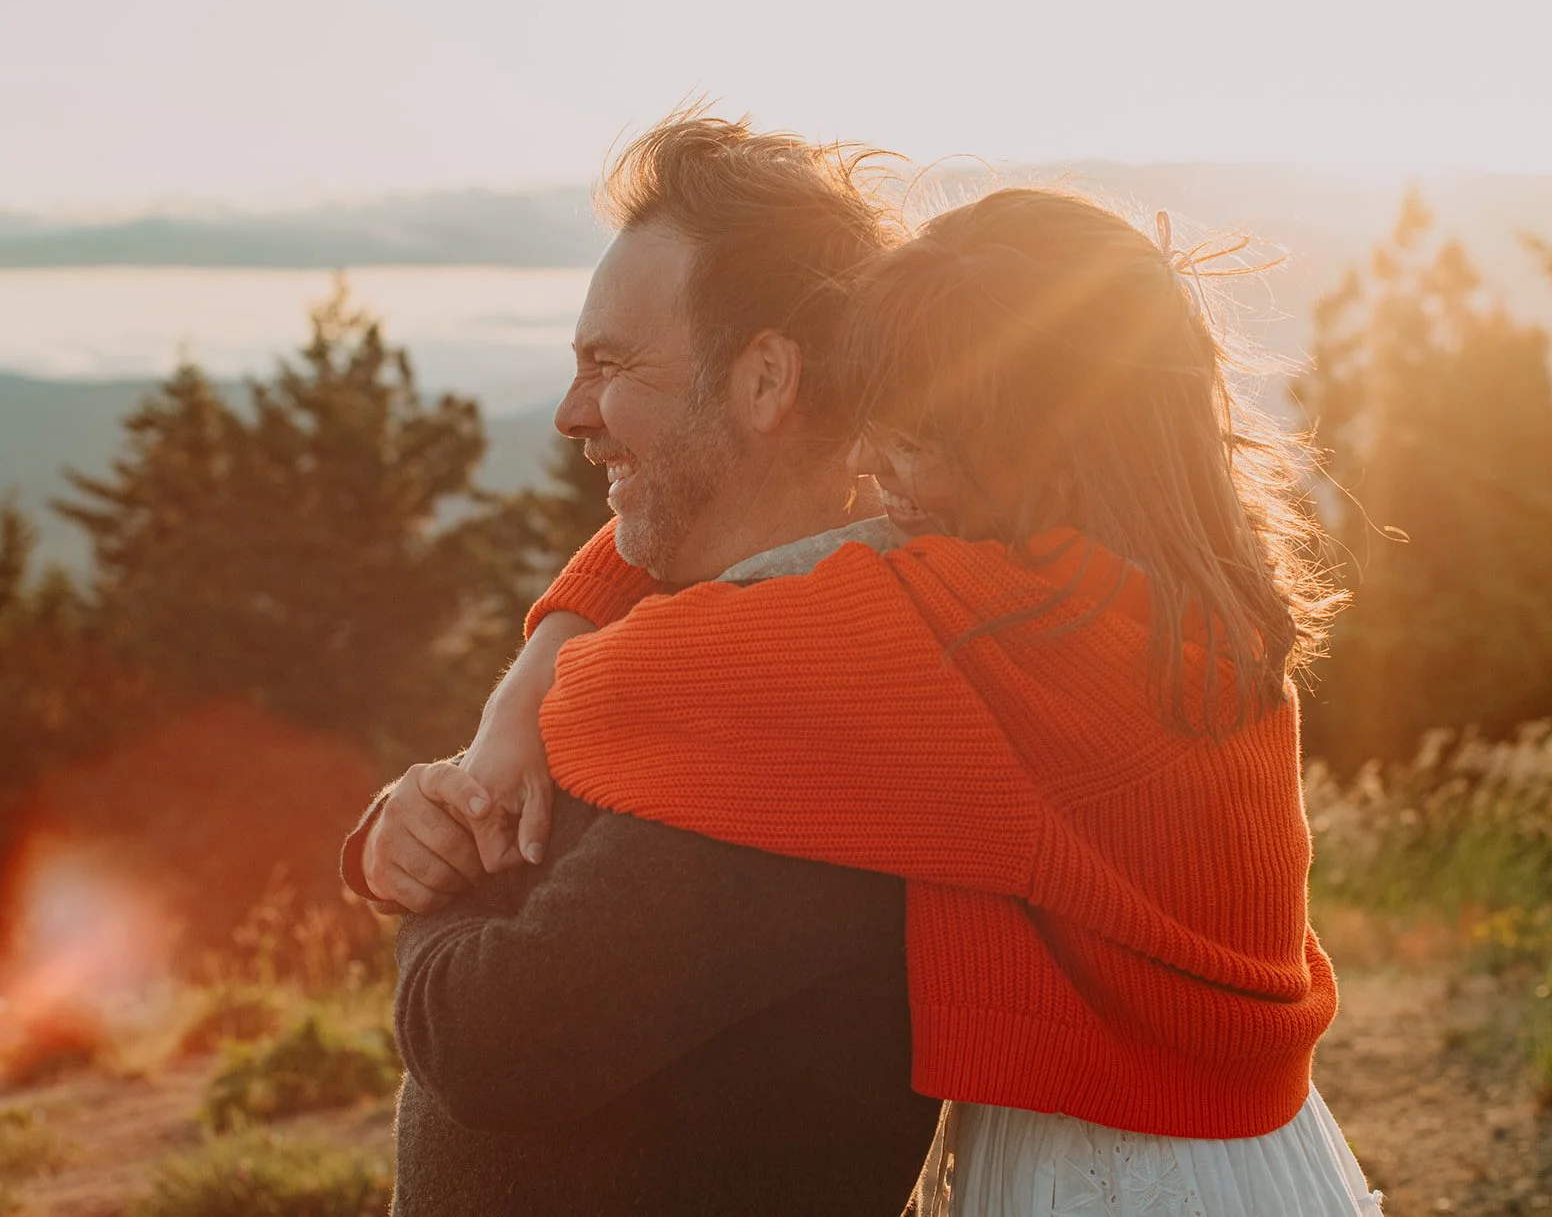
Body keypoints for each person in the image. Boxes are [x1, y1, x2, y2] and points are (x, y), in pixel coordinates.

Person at [452, 189, 1386, 1214]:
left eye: (908, 439)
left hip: (1103, 1176)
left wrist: (514, 715)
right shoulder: (1171, 583)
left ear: (1032, 441)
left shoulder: (979, 633)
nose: (862, 466)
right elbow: (711, 524)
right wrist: (562, 623)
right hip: (1250, 1155)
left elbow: (605, 695)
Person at [340, 112, 943, 1216]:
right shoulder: (703, 625)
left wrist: (439, 889)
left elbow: (502, 1041)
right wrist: (408, 818)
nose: (572, 414)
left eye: (611, 365)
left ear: (766, 380)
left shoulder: (812, 686)